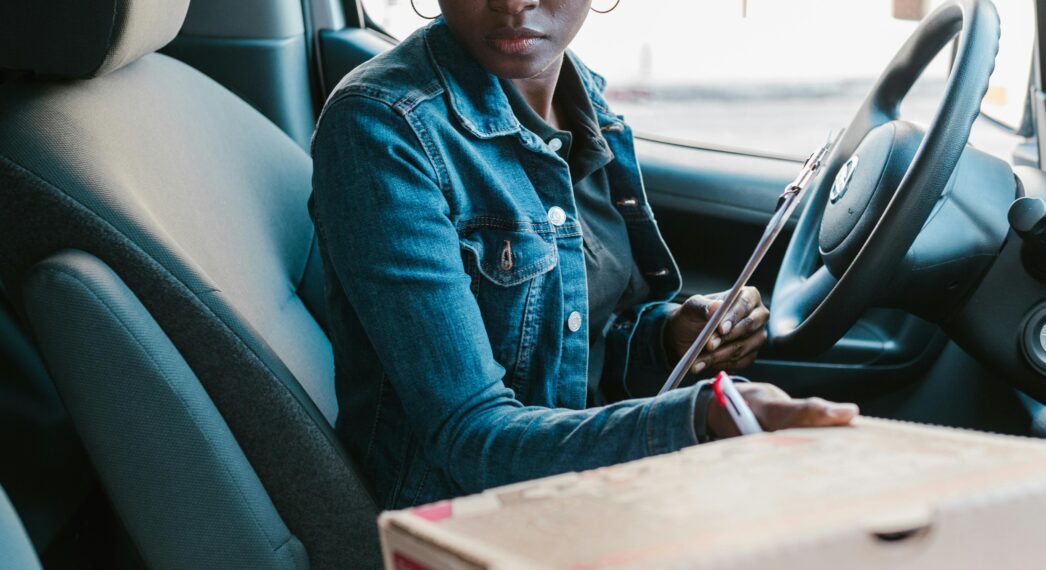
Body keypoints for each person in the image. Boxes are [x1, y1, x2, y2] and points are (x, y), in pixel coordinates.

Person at [309, 0, 859, 511]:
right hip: (463, 522)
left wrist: (669, 336)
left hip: (587, 489)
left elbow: (577, 345)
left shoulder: (584, 100)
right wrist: (702, 417)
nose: (513, 0)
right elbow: (469, 436)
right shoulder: (383, 127)